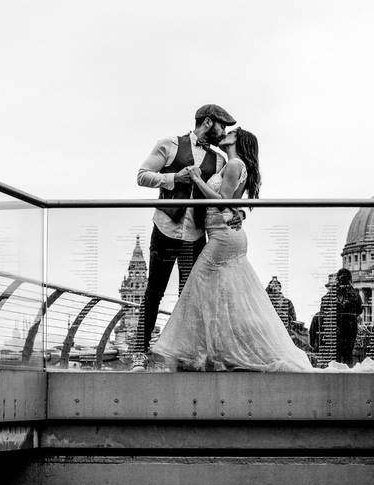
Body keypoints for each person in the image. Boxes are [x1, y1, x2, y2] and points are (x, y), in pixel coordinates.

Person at [150, 128, 314, 372]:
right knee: (223, 296)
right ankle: (215, 353)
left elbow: (222, 199)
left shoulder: (235, 163)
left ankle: (201, 354)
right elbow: (233, 202)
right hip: (224, 232)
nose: (227, 132)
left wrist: (196, 180)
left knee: (198, 288)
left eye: (233, 132)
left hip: (223, 236)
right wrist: (239, 212)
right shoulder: (230, 163)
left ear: (240, 140)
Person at [133, 104, 242, 369]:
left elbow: (223, 196)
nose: (224, 131)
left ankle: (181, 354)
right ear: (207, 122)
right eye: (221, 126)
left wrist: (238, 211)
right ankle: (140, 351)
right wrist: (173, 178)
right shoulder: (168, 145)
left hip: (195, 235)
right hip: (165, 228)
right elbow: (142, 176)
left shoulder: (219, 160)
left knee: (190, 296)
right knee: (154, 292)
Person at [334, 267, 363, 366]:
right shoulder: (355, 293)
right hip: (351, 325)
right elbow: (360, 310)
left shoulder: (333, 292)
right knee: (348, 353)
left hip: (337, 325)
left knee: (337, 353)